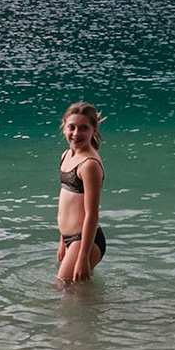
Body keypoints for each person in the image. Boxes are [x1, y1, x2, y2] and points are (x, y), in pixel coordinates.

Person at [55, 101, 106, 283]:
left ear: (94, 130)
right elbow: (66, 204)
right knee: (79, 291)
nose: (76, 133)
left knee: (61, 287)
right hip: (70, 239)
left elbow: (92, 214)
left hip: (84, 240)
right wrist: (63, 240)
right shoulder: (66, 156)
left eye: (83, 128)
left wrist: (83, 257)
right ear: (64, 127)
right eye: (72, 127)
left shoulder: (89, 164)